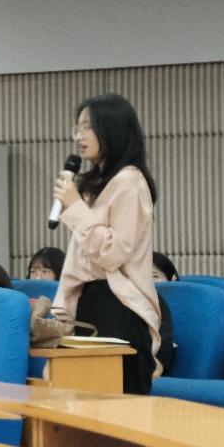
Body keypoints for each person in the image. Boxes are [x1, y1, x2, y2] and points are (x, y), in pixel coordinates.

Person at [52, 93, 162, 394]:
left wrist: (75, 208)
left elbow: (113, 253)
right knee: (81, 404)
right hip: (89, 301)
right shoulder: (94, 186)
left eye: (87, 127)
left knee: (118, 408)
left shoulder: (130, 181)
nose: (79, 136)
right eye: (77, 127)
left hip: (117, 306)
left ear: (112, 129)